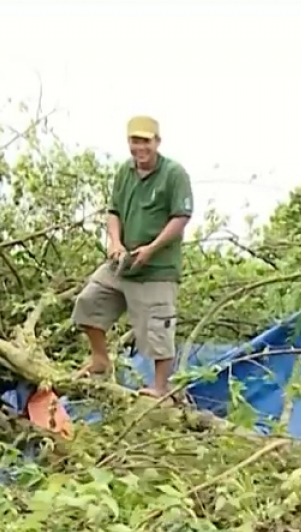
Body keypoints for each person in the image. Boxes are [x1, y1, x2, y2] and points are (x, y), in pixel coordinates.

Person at [71, 115, 193, 397]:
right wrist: (114, 242)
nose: (140, 147)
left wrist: (151, 249)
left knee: (158, 329)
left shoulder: (174, 174)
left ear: (157, 142)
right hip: (122, 263)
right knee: (88, 302)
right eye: (134, 141)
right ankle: (100, 359)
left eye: (145, 141)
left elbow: (181, 216)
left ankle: (160, 388)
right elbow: (113, 211)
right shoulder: (125, 171)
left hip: (157, 268)